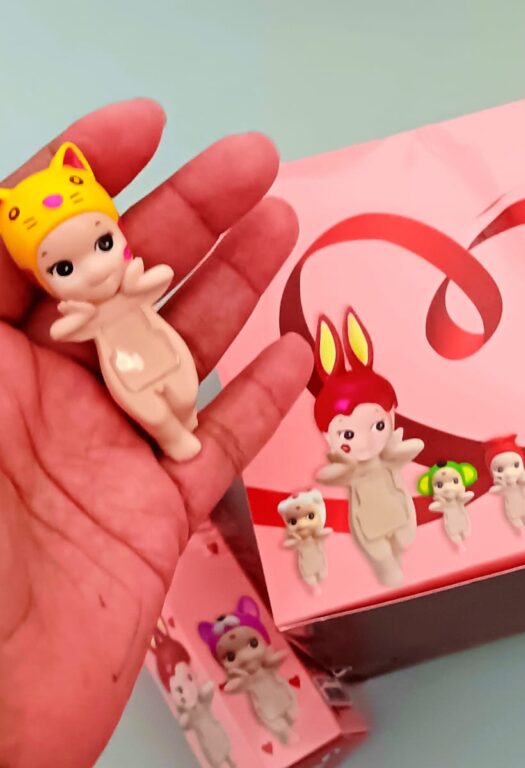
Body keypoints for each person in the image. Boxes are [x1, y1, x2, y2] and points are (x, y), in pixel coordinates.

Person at [0, 99, 313, 768]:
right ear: (44, 276)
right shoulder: (81, 317)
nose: (93, 270)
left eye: (102, 245)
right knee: (162, 409)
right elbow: (80, 324)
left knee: (178, 393)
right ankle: (174, 435)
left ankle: (177, 431)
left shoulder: (120, 288)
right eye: (63, 269)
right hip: (128, 365)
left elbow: (149, 284)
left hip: (155, 350)